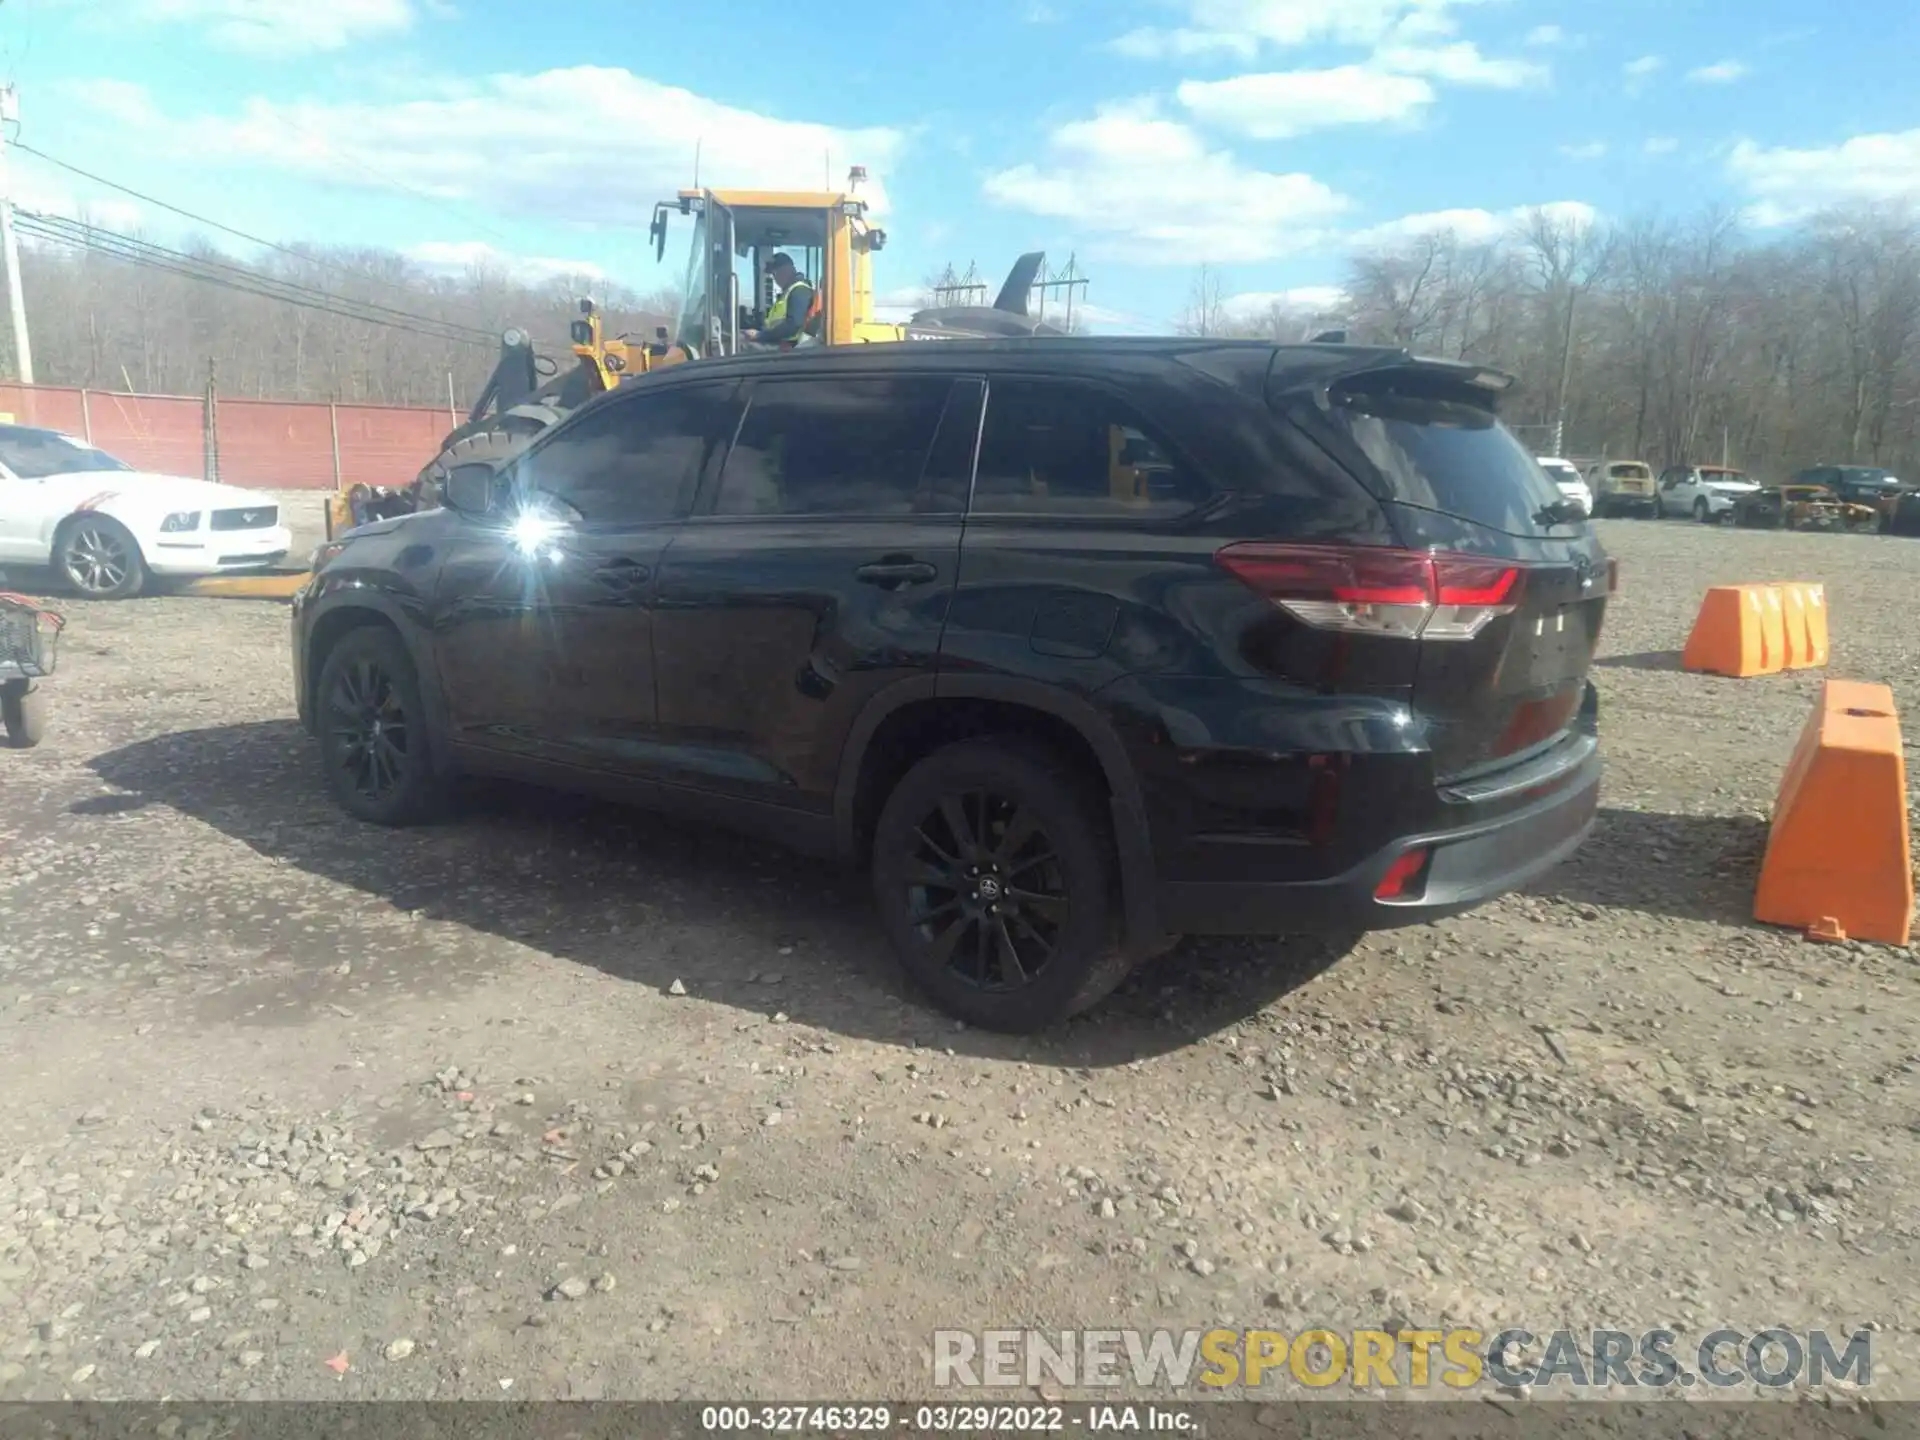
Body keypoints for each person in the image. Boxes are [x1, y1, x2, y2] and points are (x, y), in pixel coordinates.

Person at [743, 253, 818, 348]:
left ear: (787, 270)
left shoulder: (799, 290)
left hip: (791, 349)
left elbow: (793, 326)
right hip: (779, 344)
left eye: (775, 273)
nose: (775, 278)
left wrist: (760, 335)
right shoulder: (789, 291)